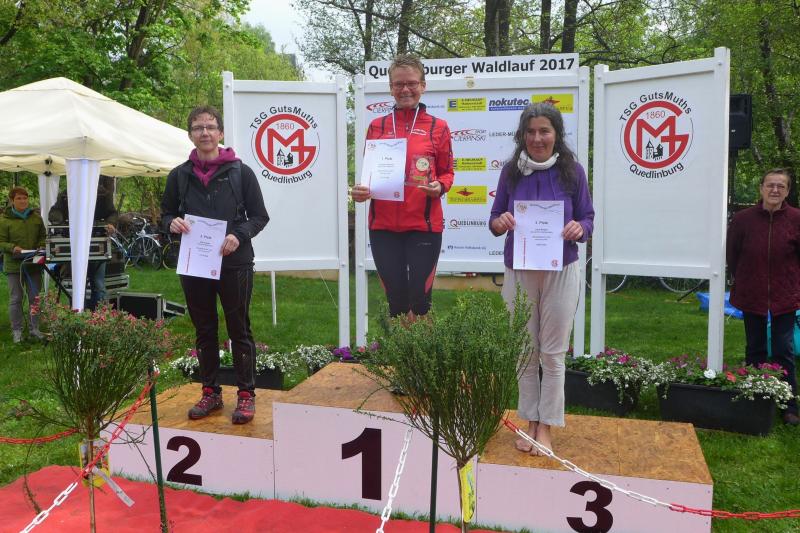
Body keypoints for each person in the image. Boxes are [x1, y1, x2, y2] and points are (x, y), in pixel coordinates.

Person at [489, 103, 594, 454]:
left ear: (556, 135)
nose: (537, 138)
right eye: (530, 132)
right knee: (525, 350)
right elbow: (494, 219)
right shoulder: (511, 172)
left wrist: (580, 228)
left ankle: (546, 425)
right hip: (520, 269)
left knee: (552, 353)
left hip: (561, 270)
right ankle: (529, 420)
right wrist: (501, 222)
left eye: (544, 131)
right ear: (522, 136)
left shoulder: (573, 172)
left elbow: (588, 218)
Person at [161, 105, 269, 425]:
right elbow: (166, 214)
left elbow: (259, 216)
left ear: (220, 133)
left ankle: (246, 394)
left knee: (239, 328)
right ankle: (211, 391)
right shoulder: (179, 176)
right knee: (204, 329)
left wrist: (238, 234)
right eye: (198, 127)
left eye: (210, 127)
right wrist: (171, 223)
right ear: (190, 135)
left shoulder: (241, 172)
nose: (204, 132)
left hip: (234, 262)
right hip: (195, 262)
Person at [351, 54, 454, 320]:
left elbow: (448, 172)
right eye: (398, 84)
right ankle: (401, 348)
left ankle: (423, 349)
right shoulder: (377, 126)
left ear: (423, 86)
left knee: (421, 301)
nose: (405, 89)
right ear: (391, 88)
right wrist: (361, 191)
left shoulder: (438, 127)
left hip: (423, 226)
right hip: (383, 227)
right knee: (395, 301)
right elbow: (369, 177)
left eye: (411, 83)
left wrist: (440, 186)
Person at [727, 168, 800, 426]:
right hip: (752, 293)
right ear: (761, 188)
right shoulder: (743, 219)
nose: (775, 190)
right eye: (770, 185)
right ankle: (756, 399)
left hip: (785, 295)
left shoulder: (796, 219)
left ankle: (789, 405)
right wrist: (745, 278)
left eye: (781, 186)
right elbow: (732, 254)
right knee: (755, 348)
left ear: (787, 191)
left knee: (783, 350)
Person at [49, 175, 118, 310]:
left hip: (97, 241)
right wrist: (60, 220)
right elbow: (54, 212)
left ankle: (99, 317)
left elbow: (113, 213)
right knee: (75, 284)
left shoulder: (103, 193)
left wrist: (110, 223)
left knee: (98, 284)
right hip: (73, 244)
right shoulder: (66, 193)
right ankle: (77, 314)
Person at [0, 187, 47, 342]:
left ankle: (35, 329)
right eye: (19, 198)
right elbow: (1, 242)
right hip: (14, 266)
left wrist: (41, 245)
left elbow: (43, 236)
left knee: (35, 298)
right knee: (16, 298)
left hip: (34, 263)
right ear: (12, 200)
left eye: (25, 198)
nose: (22, 201)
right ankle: (17, 331)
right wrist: (12, 247)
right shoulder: (4, 220)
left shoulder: (36, 218)